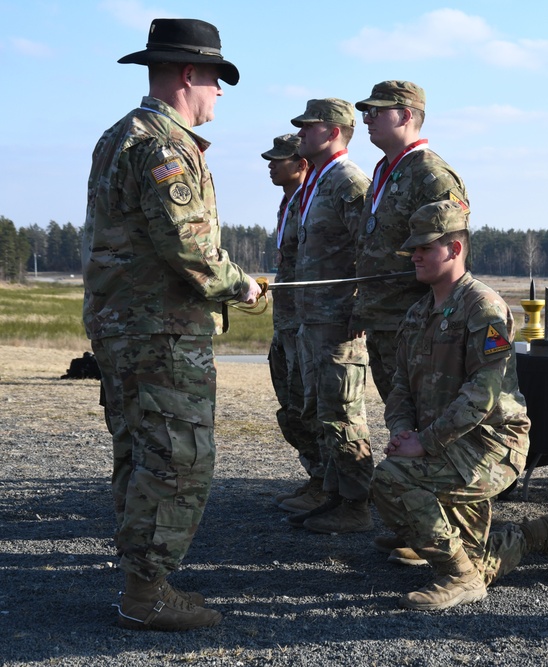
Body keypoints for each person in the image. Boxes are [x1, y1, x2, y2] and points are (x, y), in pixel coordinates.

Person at [82, 18, 261, 631]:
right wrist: (242, 283)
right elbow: (188, 247)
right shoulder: (163, 146)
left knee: (140, 452)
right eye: (215, 80)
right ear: (189, 75)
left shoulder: (119, 135)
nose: (217, 95)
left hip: (126, 326)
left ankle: (142, 580)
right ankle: (146, 592)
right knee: (179, 458)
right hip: (159, 330)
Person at [370, 201, 548, 610]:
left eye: (425, 247)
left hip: (490, 445)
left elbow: (482, 394)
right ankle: (541, 534)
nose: (414, 255)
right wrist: (402, 432)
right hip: (447, 444)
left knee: (393, 479)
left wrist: (424, 443)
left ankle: (457, 577)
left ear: (454, 249)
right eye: (412, 249)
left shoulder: (483, 308)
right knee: (474, 557)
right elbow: (400, 385)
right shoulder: (417, 314)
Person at [283, 98, 374, 534]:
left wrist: (361, 305)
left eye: (309, 126)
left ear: (334, 131)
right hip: (313, 319)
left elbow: (368, 249)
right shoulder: (319, 181)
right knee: (321, 411)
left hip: (338, 322)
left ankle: (356, 504)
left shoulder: (348, 182)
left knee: (343, 412)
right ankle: (335, 496)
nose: (300, 132)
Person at [351, 81, 469, 401]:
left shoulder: (433, 175)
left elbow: (450, 258)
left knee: (425, 418)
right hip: (383, 322)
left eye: (376, 111)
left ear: (405, 115)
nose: (366, 119)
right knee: (400, 417)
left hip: (417, 323)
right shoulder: (383, 172)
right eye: (365, 112)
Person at [260, 134, 325, 509]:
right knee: (292, 404)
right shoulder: (288, 202)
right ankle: (316, 475)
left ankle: (328, 483)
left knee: (311, 405)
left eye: (278, 160)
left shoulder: (312, 202)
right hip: (286, 321)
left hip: (306, 322)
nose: (271, 165)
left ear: (301, 164)